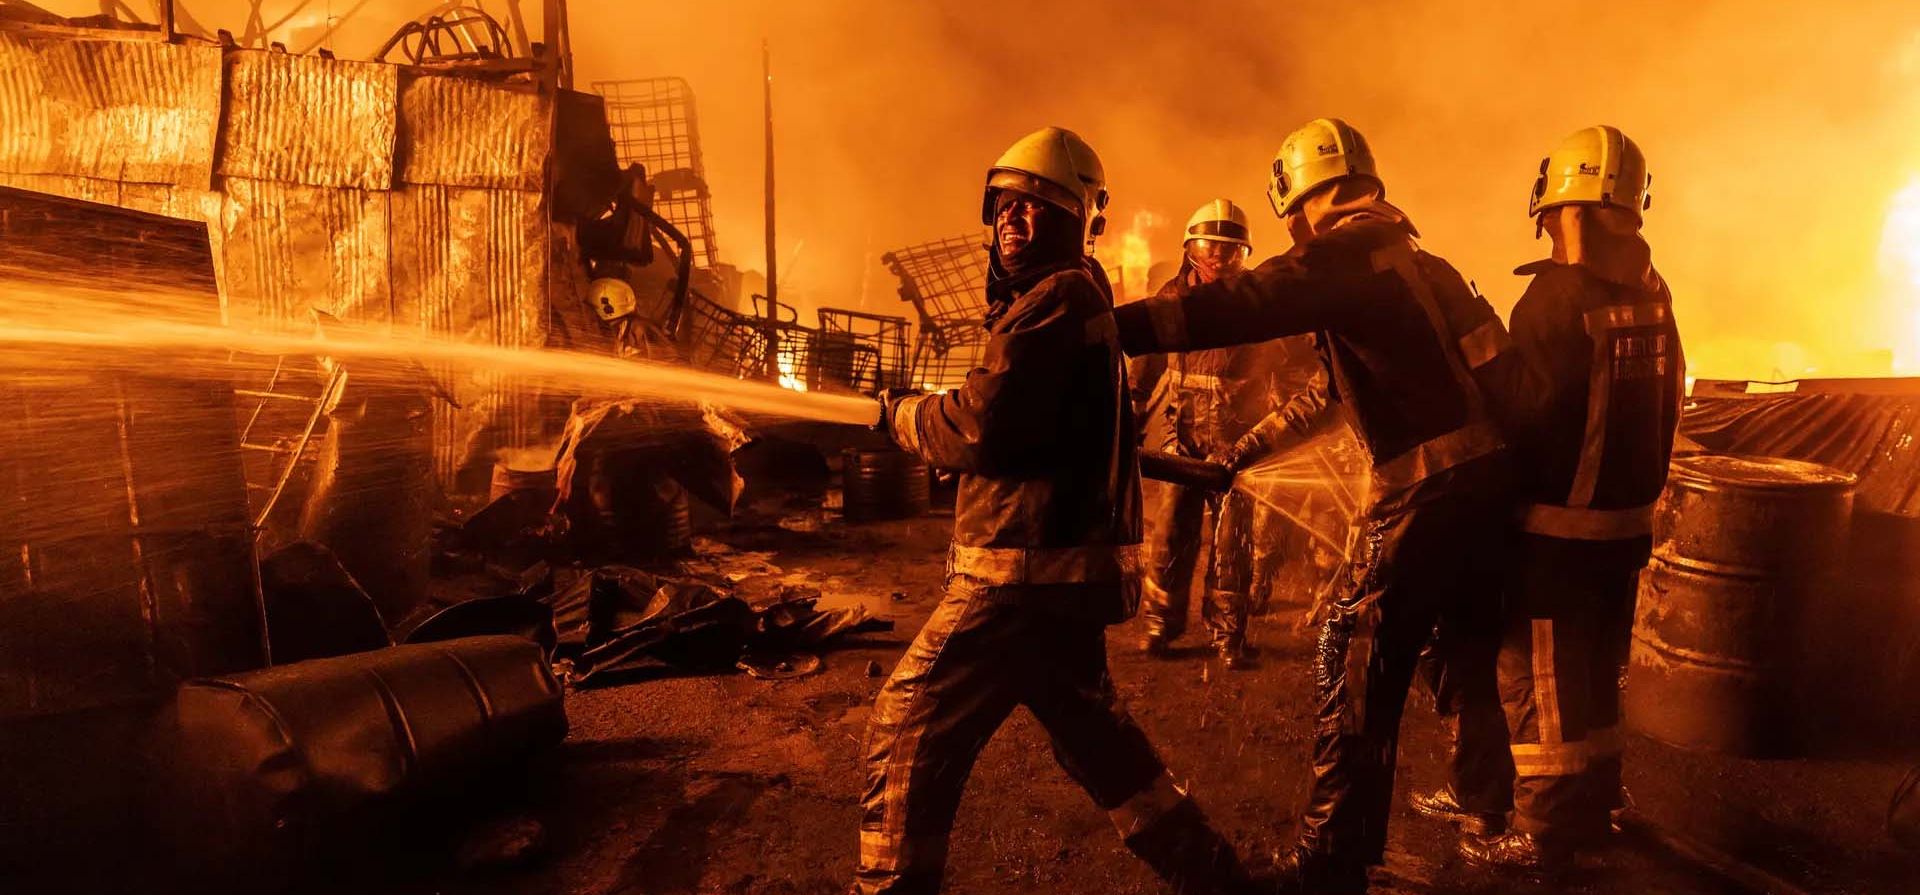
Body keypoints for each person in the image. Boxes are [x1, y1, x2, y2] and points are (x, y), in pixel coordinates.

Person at [1112, 118, 1521, 894]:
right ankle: (1485, 812)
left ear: (1297, 198)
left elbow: (1248, 302)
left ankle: (1332, 864)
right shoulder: (1422, 264)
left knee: (1351, 650)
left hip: (1426, 489)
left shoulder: (1339, 254)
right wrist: (1240, 453)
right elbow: (1325, 396)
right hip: (1485, 486)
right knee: (1457, 646)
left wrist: (1111, 328)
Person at [857, 126, 1248, 895]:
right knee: (1104, 747)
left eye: (1038, 205)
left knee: (903, 727)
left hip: (1016, 576)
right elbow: (1078, 437)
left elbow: (979, 426)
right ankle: (1223, 881)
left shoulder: (1054, 298)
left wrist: (899, 415)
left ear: (1077, 221)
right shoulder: (1077, 301)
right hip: (1057, 581)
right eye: (1005, 204)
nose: (1015, 217)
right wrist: (1180, 465)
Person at [1456, 125, 1684, 875]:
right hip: (1624, 532)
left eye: (1554, 213)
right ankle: (1597, 806)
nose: (1549, 225)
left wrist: (1481, 347)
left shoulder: (1552, 299)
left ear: (1567, 208)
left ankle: (1545, 834)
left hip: (1554, 538)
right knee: (1594, 676)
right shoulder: (1654, 291)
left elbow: (1525, 414)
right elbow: (1672, 397)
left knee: (1542, 683)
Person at [1130, 199, 1308, 668]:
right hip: (1181, 439)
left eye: (1231, 251)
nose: (1219, 259)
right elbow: (1144, 362)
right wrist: (1130, 411)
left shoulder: (1255, 305)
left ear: (1244, 254)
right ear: (1191, 248)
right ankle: (1158, 627)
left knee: (1233, 544)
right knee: (1170, 535)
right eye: (1210, 247)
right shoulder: (1170, 299)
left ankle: (1228, 637)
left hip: (1235, 444)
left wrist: (1274, 427)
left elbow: (1295, 367)